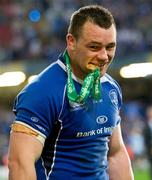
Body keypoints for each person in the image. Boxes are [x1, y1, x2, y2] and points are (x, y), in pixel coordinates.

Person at [8, 5, 134, 180]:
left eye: (110, 47)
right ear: (71, 42)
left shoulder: (110, 88)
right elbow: (19, 164)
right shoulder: (42, 92)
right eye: (94, 47)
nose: (104, 56)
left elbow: (116, 154)